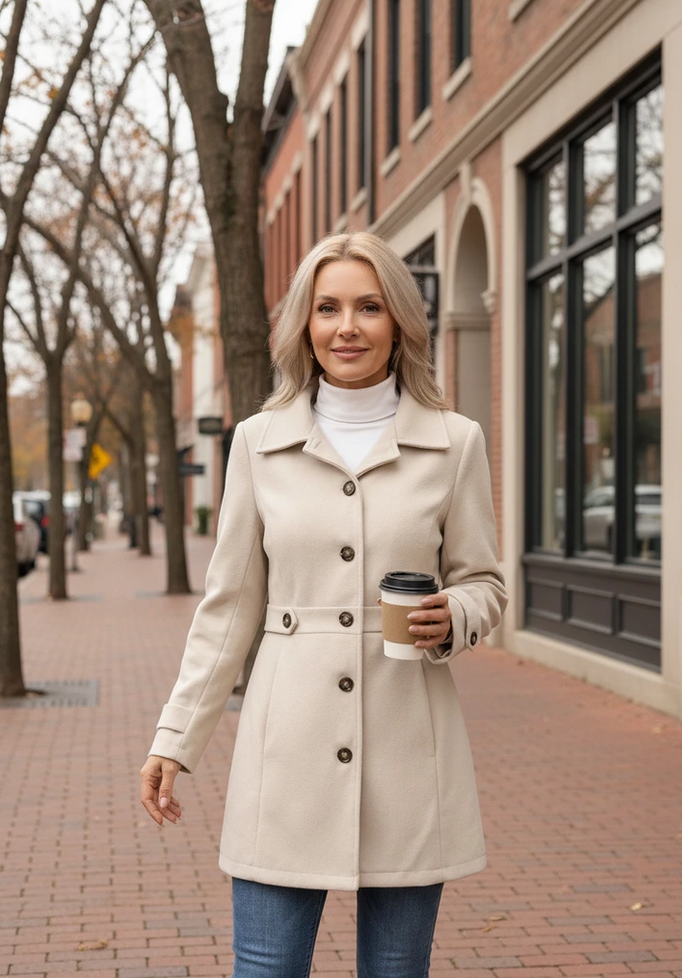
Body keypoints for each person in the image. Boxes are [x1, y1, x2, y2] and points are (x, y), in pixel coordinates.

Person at [140, 231, 508, 978]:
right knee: (267, 969)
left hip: (410, 747)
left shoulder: (454, 441)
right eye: (328, 307)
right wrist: (175, 736)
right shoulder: (257, 443)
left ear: (399, 320)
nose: (348, 326)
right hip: (287, 752)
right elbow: (228, 610)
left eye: (368, 307)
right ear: (303, 325)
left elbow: (485, 582)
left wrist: (454, 615)